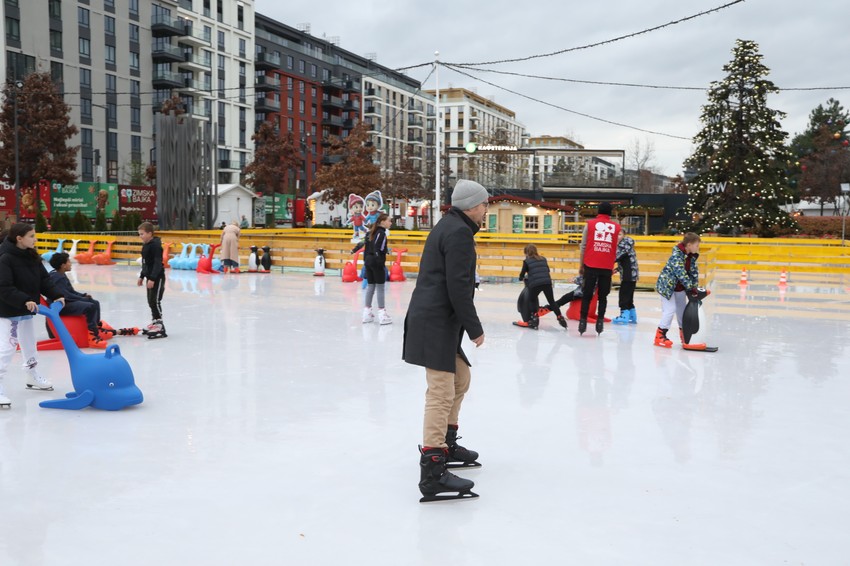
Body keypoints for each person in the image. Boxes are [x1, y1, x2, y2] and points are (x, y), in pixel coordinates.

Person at [403, 179, 488, 502]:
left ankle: (447, 442)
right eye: (483, 205)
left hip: (437, 320)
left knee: (461, 378)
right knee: (440, 391)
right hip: (435, 321)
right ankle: (433, 468)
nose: (486, 209)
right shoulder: (458, 233)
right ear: (471, 206)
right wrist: (475, 327)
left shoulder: (452, 227)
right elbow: (458, 285)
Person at [0, 223, 65, 407]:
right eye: (31, 236)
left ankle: (32, 375)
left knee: (29, 345)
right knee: (7, 347)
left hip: (27, 308)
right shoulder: (5, 258)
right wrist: (23, 300)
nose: (35, 239)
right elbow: (4, 287)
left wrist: (57, 295)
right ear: (19, 238)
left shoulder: (32, 256)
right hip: (9, 310)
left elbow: (44, 280)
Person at [655, 232, 703, 349]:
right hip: (667, 287)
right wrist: (690, 287)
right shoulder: (677, 255)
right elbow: (680, 273)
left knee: (682, 312)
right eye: (697, 245)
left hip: (679, 288)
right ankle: (660, 335)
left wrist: (694, 287)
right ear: (689, 245)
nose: (698, 248)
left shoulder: (691, 256)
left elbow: (694, 273)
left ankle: (685, 335)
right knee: (670, 310)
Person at [578, 202, 621, 335]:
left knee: (587, 294)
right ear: (610, 213)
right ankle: (600, 320)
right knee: (603, 296)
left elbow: (583, 246)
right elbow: (615, 247)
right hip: (606, 266)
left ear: (598, 211)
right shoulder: (616, 227)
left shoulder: (590, 225)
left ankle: (583, 320)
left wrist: (581, 264)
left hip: (591, 264)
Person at [48, 252, 107, 348]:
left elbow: (71, 292)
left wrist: (83, 296)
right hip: (61, 306)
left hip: (65, 302)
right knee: (90, 306)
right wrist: (83, 298)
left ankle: (96, 327)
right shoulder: (57, 278)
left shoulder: (60, 274)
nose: (71, 264)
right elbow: (66, 296)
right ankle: (93, 335)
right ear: (63, 265)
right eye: (69, 262)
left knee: (94, 302)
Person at [352, 212, 392, 325]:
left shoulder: (371, 232)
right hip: (376, 262)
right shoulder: (381, 234)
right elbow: (378, 248)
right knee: (380, 287)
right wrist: (380, 261)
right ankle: (382, 314)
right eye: (389, 220)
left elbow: (366, 245)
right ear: (382, 222)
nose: (390, 223)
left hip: (368, 262)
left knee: (370, 286)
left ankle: (367, 313)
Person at [517, 244, 566, 329]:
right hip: (547, 282)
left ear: (526, 252)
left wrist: (521, 278)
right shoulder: (543, 259)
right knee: (552, 301)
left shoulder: (526, 261)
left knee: (532, 300)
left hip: (535, 284)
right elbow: (547, 270)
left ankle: (534, 318)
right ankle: (560, 317)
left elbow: (522, 275)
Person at [137, 222, 167, 339]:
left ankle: (160, 325)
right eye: (139, 234)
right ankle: (155, 322)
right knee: (150, 301)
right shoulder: (146, 245)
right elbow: (145, 263)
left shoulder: (155, 246)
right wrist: (142, 276)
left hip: (157, 277)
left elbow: (157, 263)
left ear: (150, 233)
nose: (140, 236)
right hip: (149, 277)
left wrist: (153, 278)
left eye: (142, 234)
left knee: (155, 301)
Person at [612, 231, 639, 324]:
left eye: (619, 234)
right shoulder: (627, 245)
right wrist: (617, 269)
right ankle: (632, 315)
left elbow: (616, 257)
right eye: (616, 235)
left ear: (624, 235)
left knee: (623, 295)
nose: (617, 237)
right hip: (632, 274)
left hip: (628, 275)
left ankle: (624, 316)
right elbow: (626, 261)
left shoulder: (624, 245)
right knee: (629, 295)